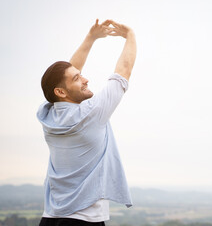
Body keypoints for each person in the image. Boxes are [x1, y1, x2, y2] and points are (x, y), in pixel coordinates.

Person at [37, 19, 137, 226]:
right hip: (83, 220)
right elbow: (123, 70)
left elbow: (66, 75)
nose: (85, 79)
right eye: (77, 79)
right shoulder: (91, 114)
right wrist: (130, 35)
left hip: (51, 218)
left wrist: (91, 38)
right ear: (61, 92)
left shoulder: (47, 115)